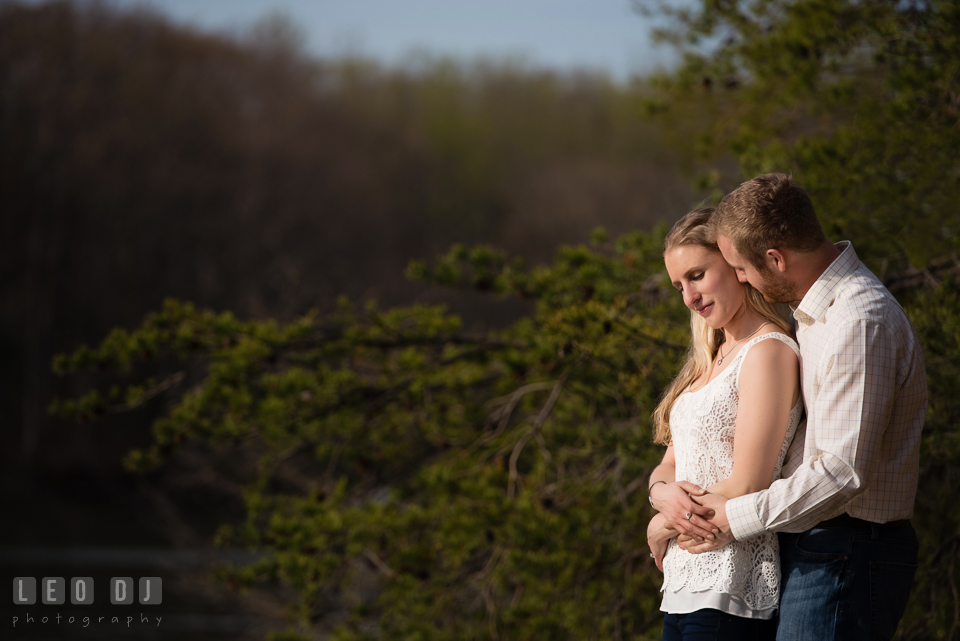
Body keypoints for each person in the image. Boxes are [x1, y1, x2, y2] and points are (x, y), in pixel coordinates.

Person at [681, 173, 927, 641]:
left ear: (775, 259)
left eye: (741, 268)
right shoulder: (818, 314)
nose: (738, 278)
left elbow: (840, 472)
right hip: (822, 544)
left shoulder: (858, 321)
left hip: (850, 549)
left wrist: (732, 519)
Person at [646, 207, 803, 640]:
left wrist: (665, 524)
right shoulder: (707, 362)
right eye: (679, 285)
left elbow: (748, 483)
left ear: (735, 265)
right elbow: (668, 466)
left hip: (730, 583)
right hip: (681, 583)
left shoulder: (768, 351)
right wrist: (661, 495)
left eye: (697, 275)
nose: (688, 298)